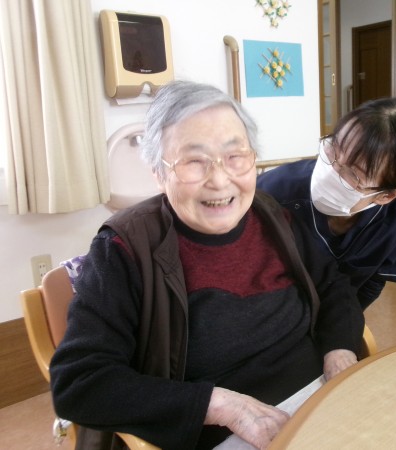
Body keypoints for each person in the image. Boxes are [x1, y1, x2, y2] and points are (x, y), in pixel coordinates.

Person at [49, 81, 364, 450]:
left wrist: (340, 348)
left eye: (235, 156)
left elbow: (333, 286)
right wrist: (219, 405)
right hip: (223, 435)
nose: (219, 180)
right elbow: (79, 383)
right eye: (194, 161)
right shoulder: (124, 248)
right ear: (158, 172)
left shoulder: (271, 214)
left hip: (322, 400)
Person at [257, 97, 396, 309]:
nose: (331, 170)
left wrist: (344, 321)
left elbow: (373, 280)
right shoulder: (272, 192)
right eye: (334, 148)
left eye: (353, 173)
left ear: (386, 196)